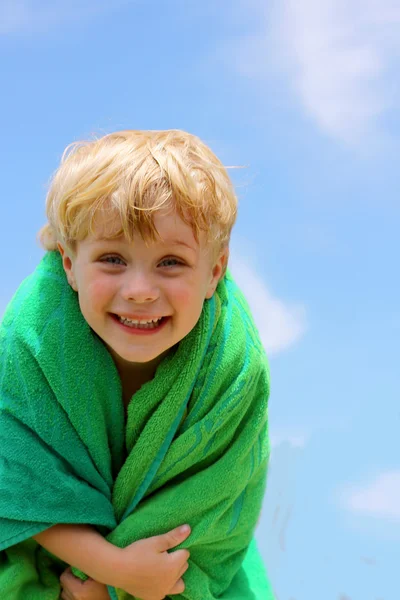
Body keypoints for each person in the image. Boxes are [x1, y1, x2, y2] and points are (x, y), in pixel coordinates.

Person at [0, 130, 272, 600]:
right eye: (111, 259)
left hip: (168, 577)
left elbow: (215, 500)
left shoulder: (233, 367)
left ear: (215, 271)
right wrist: (108, 569)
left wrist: (112, 588)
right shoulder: (31, 342)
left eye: (170, 262)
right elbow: (18, 481)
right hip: (49, 558)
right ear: (68, 263)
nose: (140, 289)